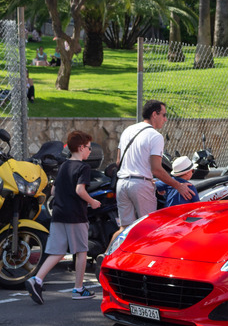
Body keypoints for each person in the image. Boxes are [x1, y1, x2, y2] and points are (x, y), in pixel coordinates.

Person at [25, 131, 102, 304]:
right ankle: (79, 289)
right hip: (75, 215)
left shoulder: (63, 166)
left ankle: (36, 280)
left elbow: (53, 190)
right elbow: (80, 190)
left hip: (59, 214)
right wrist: (93, 202)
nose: (90, 151)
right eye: (89, 148)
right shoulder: (84, 167)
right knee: (82, 251)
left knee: (58, 251)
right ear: (81, 148)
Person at [111, 100, 195, 242]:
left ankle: (107, 256)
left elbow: (118, 161)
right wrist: (178, 186)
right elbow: (156, 169)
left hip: (122, 183)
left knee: (124, 229)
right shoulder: (155, 136)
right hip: (140, 185)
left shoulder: (128, 130)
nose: (165, 119)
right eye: (163, 115)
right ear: (154, 114)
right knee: (148, 229)